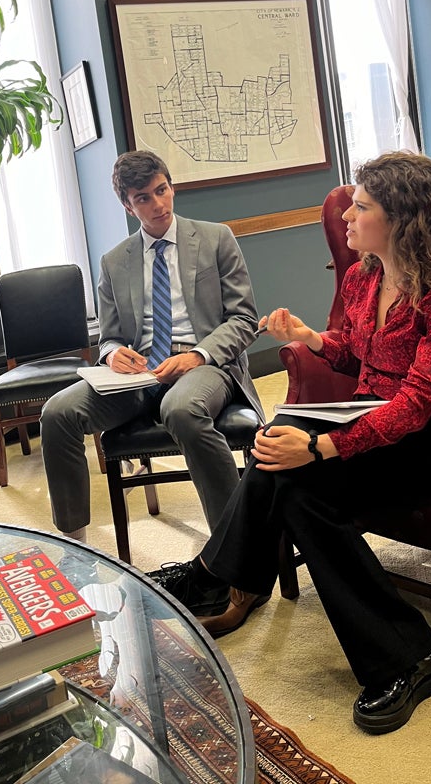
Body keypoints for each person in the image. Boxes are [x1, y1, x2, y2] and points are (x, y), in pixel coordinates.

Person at [149, 151, 431, 734]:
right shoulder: (363, 277)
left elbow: (419, 403)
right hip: (373, 412)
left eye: (361, 206)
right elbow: (359, 352)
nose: (346, 217)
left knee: (302, 480)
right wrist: (310, 338)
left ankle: (215, 576)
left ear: (401, 218)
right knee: (282, 450)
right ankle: (410, 658)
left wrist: (325, 449)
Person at [40, 150, 264, 545]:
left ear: (171, 186)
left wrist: (197, 355)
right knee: (57, 412)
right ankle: (75, 544)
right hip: (139, 371)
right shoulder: (114, 262)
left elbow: (244, 320)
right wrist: (112, 353)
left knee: (181, 409)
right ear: (127, 205)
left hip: (204, 362)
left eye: (162, 190)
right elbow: (107, 336)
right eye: (144, 197)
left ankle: (235, 546)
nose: (158, 204)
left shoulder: (215, 239)